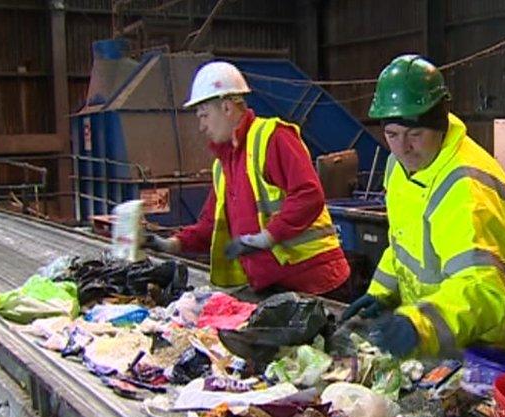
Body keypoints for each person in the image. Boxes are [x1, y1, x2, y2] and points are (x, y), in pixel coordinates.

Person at [341, 54, 505, 358]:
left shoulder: (467, 185)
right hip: (444, 346)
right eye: (392, 135)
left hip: (500, 353)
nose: (403, 148)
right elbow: (403, 246)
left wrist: (420, 325)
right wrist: (381, 293)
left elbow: (483, 289)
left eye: (415, 134)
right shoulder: (398, 167)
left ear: (440, 124)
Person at [145, 61, 351, 298]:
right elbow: (211, 225)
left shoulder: (272, 137)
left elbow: (309, 194)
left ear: (226, 108)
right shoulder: (223, 166)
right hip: (274, 289)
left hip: (316, 284)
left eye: (204, 115)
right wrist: (171, 244)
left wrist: (267, 236)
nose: (201, 126)